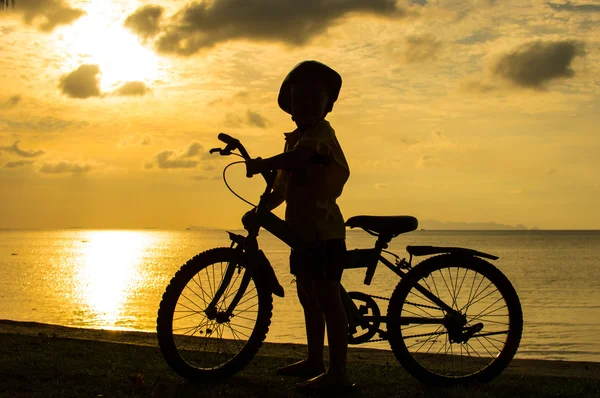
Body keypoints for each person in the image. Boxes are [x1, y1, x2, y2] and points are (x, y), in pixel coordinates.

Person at [245, 60, 352, 389]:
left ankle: (337, 373)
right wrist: (261, 208)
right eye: (299, 98)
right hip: (303, 236)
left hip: (323, 232)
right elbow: (281, 189)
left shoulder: (321, 134)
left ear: (327, 105)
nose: (306, 104)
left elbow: (298, 161)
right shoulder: (293, 140)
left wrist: (263, 162)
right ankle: (314, 360)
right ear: (290, 107)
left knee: (327, 298)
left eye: (313, 97)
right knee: (307, 295)